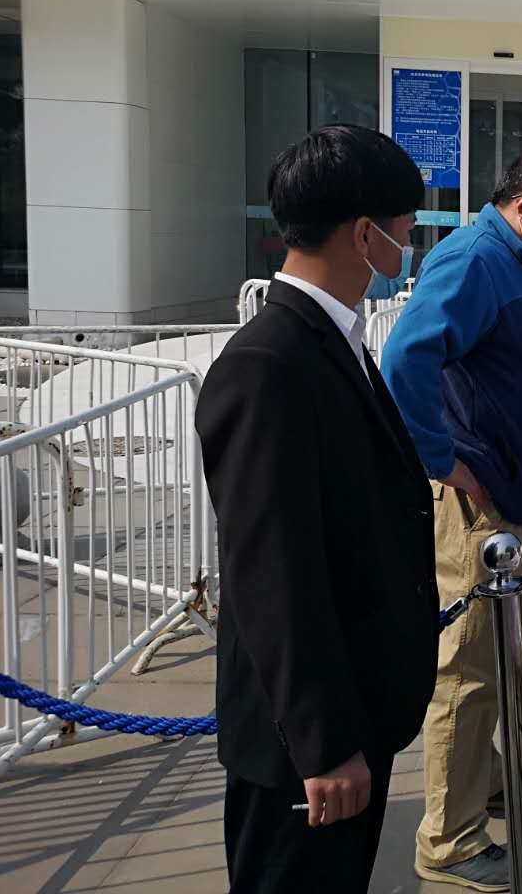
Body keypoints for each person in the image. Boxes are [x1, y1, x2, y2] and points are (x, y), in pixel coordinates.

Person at [195, 125, 437, 893]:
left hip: (356, 711)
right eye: (405, 230)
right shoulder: (268, 365)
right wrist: (324, 742)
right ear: (364, 235)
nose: (408, 247)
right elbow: (272, 575)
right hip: (305, 750)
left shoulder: (336, 339)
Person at [381, 150, 522, 892]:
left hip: (507, 497)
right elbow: (405, 361)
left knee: (492, 656)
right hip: (480, 507)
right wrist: (444, 460)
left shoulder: (506, 262)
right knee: (465, 669)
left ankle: (485, 780)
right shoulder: (473, 259)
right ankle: (451, 838)